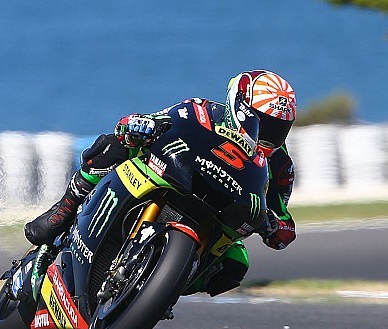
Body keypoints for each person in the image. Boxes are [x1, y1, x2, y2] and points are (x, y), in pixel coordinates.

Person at [24, 70, 297, 296]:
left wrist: (276, 226)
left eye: (279, 129)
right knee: (113, 146)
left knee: (236, 264)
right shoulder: (200, 110)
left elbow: (284, 221)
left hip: (220, 215)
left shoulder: (281, 166)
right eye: (265, 124)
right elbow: (154, 121)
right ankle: (64, 210)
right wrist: (139, 125)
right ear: (240, 108)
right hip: (175, 176)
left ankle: (162, 289)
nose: (271, 135)